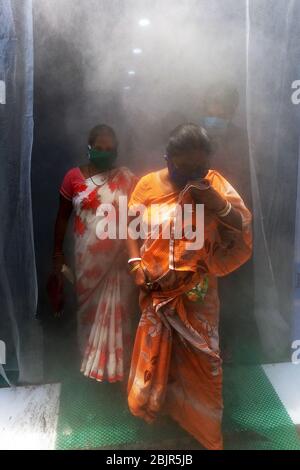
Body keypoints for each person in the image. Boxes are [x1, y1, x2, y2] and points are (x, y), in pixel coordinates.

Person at [126, 123, 252, 450]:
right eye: (185, 166)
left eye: (200, 166)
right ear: (168, 159)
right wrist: (135, 263)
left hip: (198, 294)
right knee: (160, 361)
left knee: (205, 363)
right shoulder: (148, 185)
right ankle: (163, 414)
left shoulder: (213, 184)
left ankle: (204, 429)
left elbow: (241, 227)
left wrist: (215, 202)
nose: (193, 172)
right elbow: (131, 225)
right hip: (156, 293)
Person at [52, 124, 136, 383]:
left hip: (118, 262)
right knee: (87, 313)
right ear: (89, 147)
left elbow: (136, 218)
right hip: (86, 261)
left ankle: (116, 371)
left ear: (117, 151)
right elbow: (62, 218)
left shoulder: (126, 178)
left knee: (120, 314)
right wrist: (57, 254)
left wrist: (133, 251)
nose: (103, 152)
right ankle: (90, 370)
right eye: (98, 148)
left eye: (109, 149)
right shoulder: (73, 178)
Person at [202, 84, 254, 362]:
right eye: (212, 104)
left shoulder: (240, 139)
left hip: (229, 219)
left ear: (232, 110)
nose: (216, 111)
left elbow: (245, 179)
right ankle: (200, 345)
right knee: (199, 283)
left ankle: (226, 346)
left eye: (222, 106)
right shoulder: (195, 137)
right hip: (198, 221)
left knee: (229, 284)